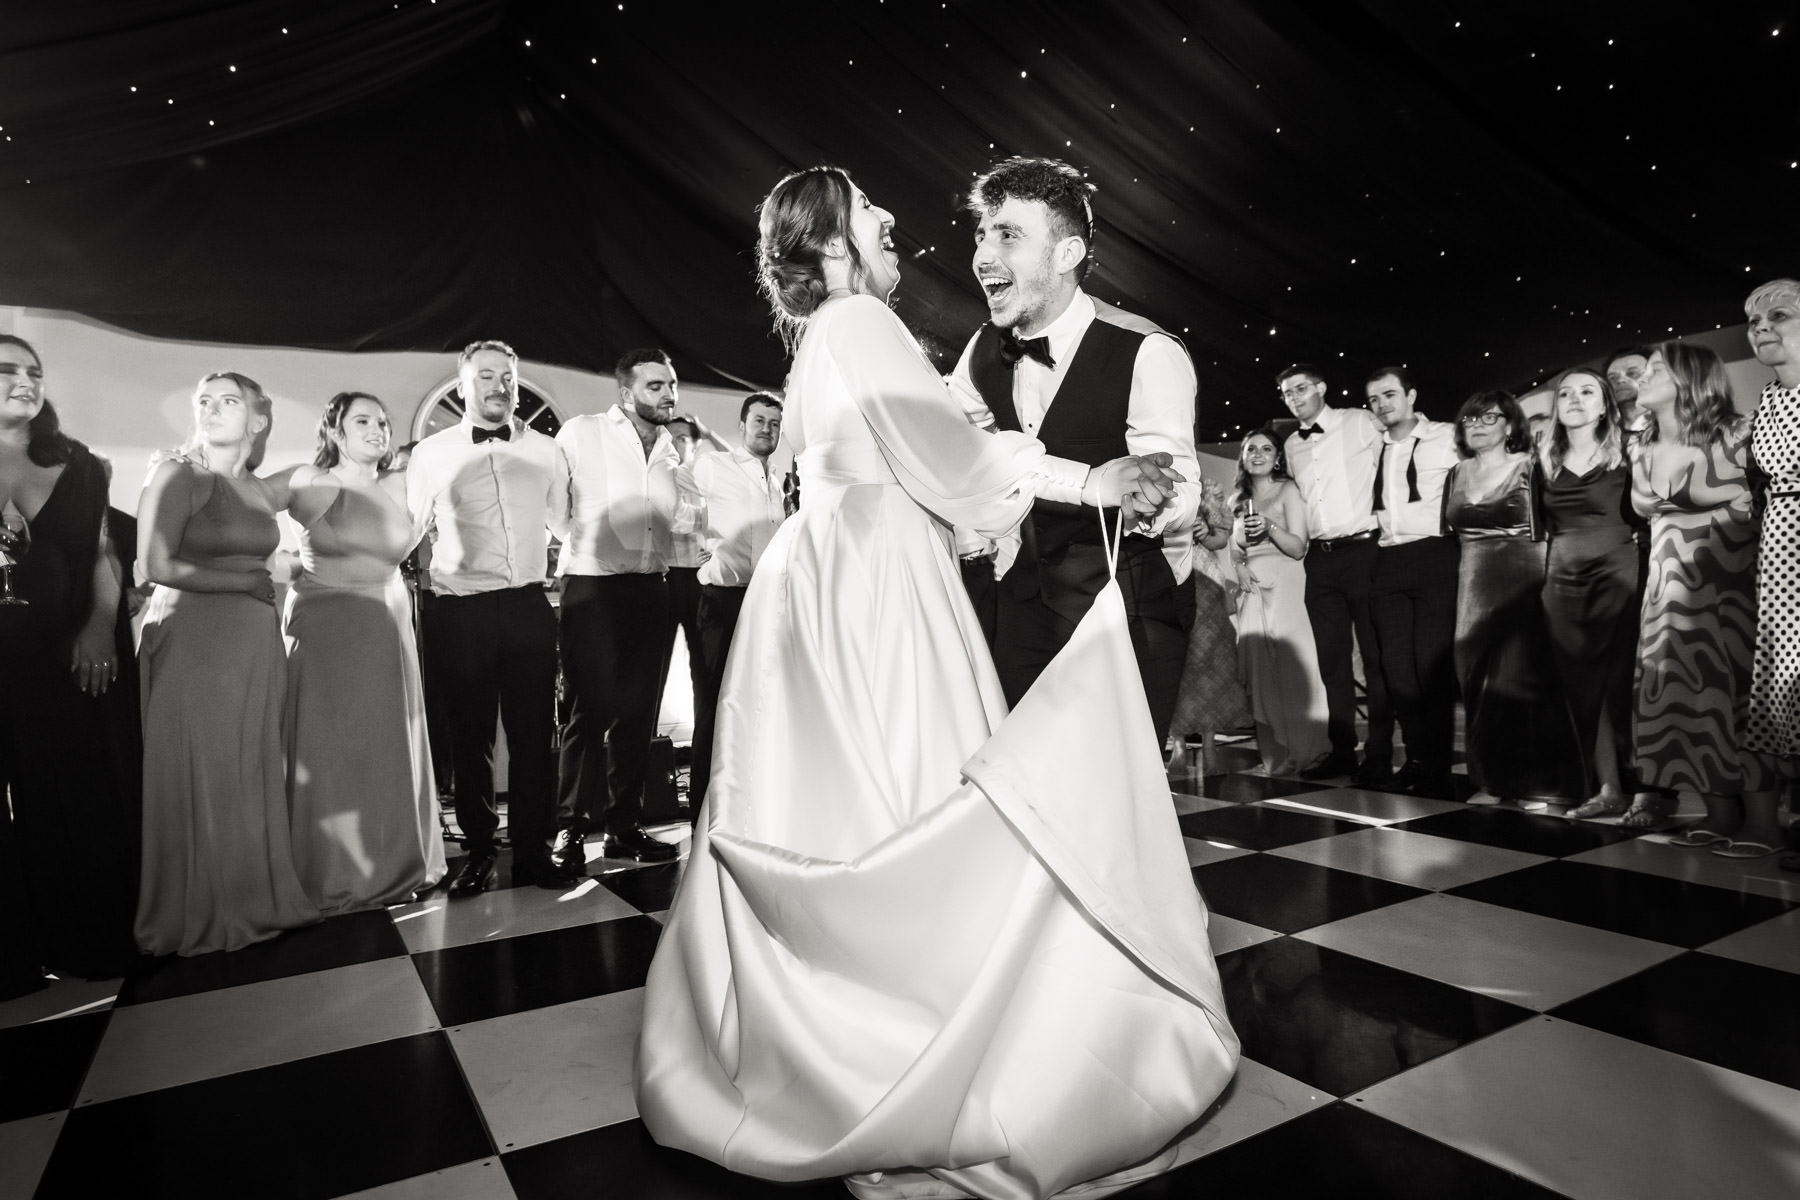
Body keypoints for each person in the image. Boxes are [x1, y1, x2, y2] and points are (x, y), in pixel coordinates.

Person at [636, 165, 1237, 1199]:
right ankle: (922, 1027)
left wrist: (1102, 494)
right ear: (832, 245)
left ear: (1068, 249)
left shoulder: (852, 331)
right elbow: (950, 448)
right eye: (873, 215)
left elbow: (968, 455)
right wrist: (1080, 480)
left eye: (1007, 233)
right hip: (874, 583)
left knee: (865, 794)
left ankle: (846, 1014)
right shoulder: (864, 320)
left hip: (873, 575)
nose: (899, 227)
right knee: (912, 793)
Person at [950, 156, 1202, 744]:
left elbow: (1182, 488)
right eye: (982, 234)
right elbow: (962, 438)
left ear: (1066, 255)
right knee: (1019, 782)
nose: (983, 255)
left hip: (1126, 606)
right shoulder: (983, 348)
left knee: (1115, 797)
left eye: (1008, 235)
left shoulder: (1146, 350)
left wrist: (1154, 501)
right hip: (1023, 604)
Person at [136, 371, 319, 955]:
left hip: (251, 644)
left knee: (247, 767)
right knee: (201, 770)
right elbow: (155, 564)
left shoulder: (259, 491)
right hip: (193, 640)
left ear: (258, 420)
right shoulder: (177, 473)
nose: (212, 410)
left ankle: (251, 897)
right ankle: (198, 909)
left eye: (229, 402)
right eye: (204, 402)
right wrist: (246, 579)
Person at [407, 341, 577, 896]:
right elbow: (407, 531)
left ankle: (532, 852)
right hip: (459, 610)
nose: (499, 385)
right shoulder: (431, 453)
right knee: (470, 740)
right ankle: (478, 852)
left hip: (529, 606)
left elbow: (567, 527)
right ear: (462, 386)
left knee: (535, 739)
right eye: (485, 376)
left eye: (507, 375)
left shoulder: (548, 451)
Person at [0, 334, 141, 992]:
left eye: (33, 371)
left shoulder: (76, 462)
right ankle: (17, 957)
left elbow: (105, 555)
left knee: (82, 793)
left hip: (69, 652)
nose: (25, 380)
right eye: (6, 370)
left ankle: (94, 940)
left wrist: (97, 628)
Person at [281, 392, 445, 911]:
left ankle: (395, 860)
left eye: (382, 420)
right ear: (334, 431)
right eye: (362, 421)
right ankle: (331, 868)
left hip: (388, 623)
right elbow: (240, 501)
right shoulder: (311, 480)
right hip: (327, 627)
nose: (377, 428)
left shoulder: (403, 484)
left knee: (386, 744)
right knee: (329, 749)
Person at [1631, 344, 1781, 855]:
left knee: (1733, 697)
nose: (1642, 376)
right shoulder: (1641, 446)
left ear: (1690, 378)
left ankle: (1762, 822)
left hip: (1726, 589)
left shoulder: (1738, 433)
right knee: (1681, 699)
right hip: (1665, 593)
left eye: (1655, 368)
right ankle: (1719, 812)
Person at [550, 349, 683, 867]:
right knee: (589, 713)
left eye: (671, 384)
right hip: (594, 588)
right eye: (655, 386)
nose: (668, 394)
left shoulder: (672, 447)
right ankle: (570, 829)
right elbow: (553, 507)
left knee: (637, 714)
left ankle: (623, 828)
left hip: (651, 589)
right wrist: (586, 547)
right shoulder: (582, 432)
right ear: (626, 393)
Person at [1443, 391, 1582, 806]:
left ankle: (1538, 783)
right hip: (1473, 583)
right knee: (1477, 682)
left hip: (1526, 580)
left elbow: (1557, 527)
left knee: (1524, 679)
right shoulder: (1456, 472)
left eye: (1489, 417)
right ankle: (1492, 781)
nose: (1477, 425)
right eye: (1470, 418)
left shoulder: (1531, 466)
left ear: (1510, 425)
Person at [1539, 368, 1646, 822]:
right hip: (1562, 578)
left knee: (1628, 684)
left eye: (1587, 392)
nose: (1575, 400)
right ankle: (1608, 788)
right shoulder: (1542, 460)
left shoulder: (1630, 450)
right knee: (1584, 688)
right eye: (1565, 393)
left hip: (1619, 570)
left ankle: (1648, 792)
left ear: (1605, 405)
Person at [1280, 363, 1395, 783]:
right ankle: (1342, 751)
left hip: (1364, 549)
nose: (1293, 397)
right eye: (1287, 393)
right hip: (1320, 558)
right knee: (1332, 661)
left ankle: (1380, 753)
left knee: (1376, 656)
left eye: (1300, 388)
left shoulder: (1360, 421)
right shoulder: (1292, 443)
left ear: (1322, 387)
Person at [687, 392, 788, 812]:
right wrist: (692, 546)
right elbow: (681, 507)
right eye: (760, 420)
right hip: (724, 601)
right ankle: (701, 808)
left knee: (766, 700)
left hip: (772, 601)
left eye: (774, 423)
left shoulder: (784, 474)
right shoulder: (714, 466)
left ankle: (755, 801)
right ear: (743, 424)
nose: (767, 429)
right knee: (714, 703)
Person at [1365, 367, 1461, 799]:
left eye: (1389, 395)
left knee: (1431, 669)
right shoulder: (1370, 444)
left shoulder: (1447, 436)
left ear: (1411, 395)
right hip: (1387, 558)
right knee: (1397, 671)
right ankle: (1418, 756)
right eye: (1374, 399)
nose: (1382, 404)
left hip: (1436, 553)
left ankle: (1437, 763)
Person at [1229, 428, 1329, 775]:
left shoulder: (1288, 491)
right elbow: (1234, 548)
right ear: (1243, 457)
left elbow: (1298, 547)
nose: (1258, 454)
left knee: (1290, 667)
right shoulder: (1237, 499)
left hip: (1286, 585)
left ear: (1277, 457)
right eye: (1251, 449)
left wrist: (1269, 525)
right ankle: (1274, 755)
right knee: (1261, 672)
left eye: (1266, 448)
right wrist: (1239, 566)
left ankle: (1305, 749)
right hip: (1253, 590)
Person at [1742, 279, 1800, 871]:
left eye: (1777, 316)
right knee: (1786, 679)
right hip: (1781, 542)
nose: (1760, 328)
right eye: (1753, 321)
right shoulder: (1768, 399)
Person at [1165, 475, 1252, 772]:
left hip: (1206, 583)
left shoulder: (1206, 486)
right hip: (1168, 580)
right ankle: (1177, 745)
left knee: (1213, 663)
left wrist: (1202, 531)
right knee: (1177, 662)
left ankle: (1211, 744)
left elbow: (1220, 539)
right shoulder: (1154, 479)